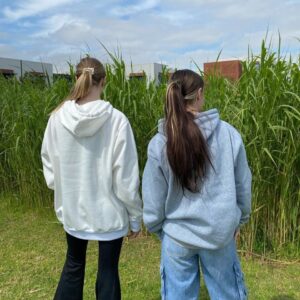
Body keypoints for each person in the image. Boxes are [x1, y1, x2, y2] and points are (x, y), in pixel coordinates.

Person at [142, 69, 251, 300]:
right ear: (199, 94)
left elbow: (153, 199)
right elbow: (243, 184)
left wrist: (159, 229)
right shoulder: (229, 135)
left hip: (177, 237)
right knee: (228, 295)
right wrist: (238, 219)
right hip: (220, 234)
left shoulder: (161, 142)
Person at [41, 57, 142, 300]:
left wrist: (63, 189)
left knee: (73, 266)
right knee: (108, 272)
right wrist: (135, 218)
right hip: (110, 215)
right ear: (103, 81)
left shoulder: (57, 118)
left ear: (77, 78)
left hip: (74, 211)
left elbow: (49, 162)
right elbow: (126, 178)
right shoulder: (117, 120)